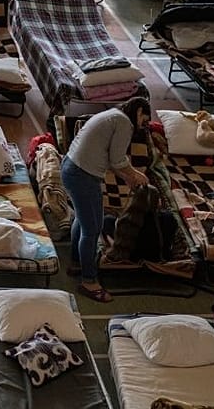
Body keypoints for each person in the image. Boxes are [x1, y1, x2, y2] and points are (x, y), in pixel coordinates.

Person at [61, 97, 151, 303]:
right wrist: (136, 174)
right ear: (139, 112)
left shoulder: (111, 115)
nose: (143, 126)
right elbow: (118, 159)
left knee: (85, 221)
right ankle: (89, 281)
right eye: (144, 120)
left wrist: (128, 177)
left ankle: (77, 262)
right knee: (92, 229)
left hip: (70, 166)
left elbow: (111, 159)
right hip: (82, 175)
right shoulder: (124, 123)